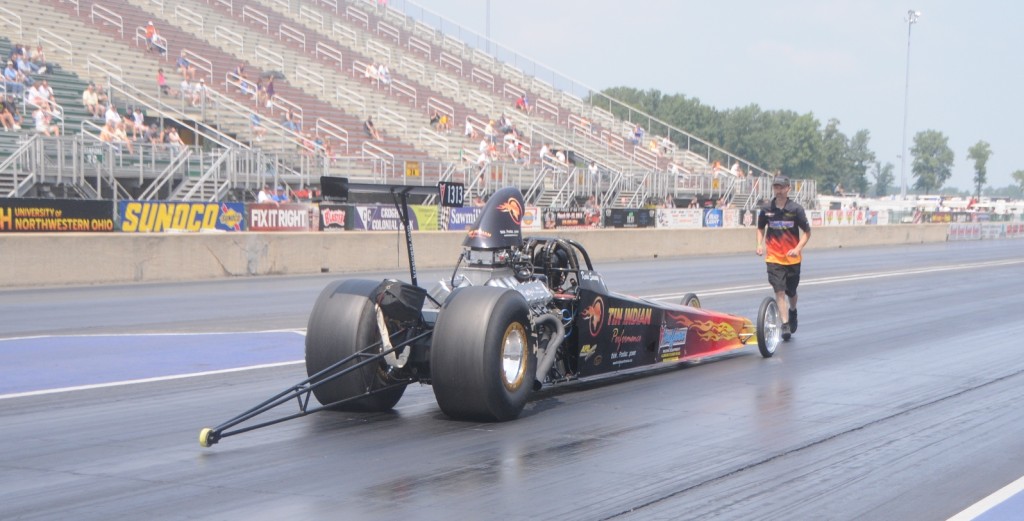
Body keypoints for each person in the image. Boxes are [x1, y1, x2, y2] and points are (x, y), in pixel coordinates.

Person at [756, 176, 811, 341]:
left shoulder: (796, 209)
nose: (778, 191)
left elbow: (807, 232)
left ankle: (793, 310)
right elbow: (760, 228)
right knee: (779, 291)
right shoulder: (767, 208)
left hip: (793, 259)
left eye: (781, 187)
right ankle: (785, 324)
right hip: (773, 257)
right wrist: (759, 244)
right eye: (776, 187)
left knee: (791, 292)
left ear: (788, 189)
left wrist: (798, 248)